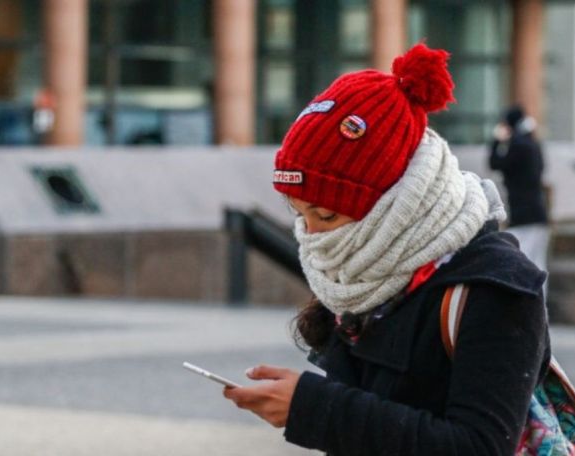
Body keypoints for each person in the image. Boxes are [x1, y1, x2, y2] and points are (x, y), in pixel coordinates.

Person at [223, 44, 550, 455]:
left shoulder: (495, 287)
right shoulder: (367, 265)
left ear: (394, 203)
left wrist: (311, 407)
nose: (311, 233)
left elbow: (478, 445)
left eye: (325, 214)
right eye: (298, 212)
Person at [489, 105, 549, 277]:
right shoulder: (533, 144)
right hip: (537, 213)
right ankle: (540, 304)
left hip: (523, 216)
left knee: (521, 264)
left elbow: (495, 163)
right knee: (537, 266)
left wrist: (497, 141)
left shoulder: (518, 145)